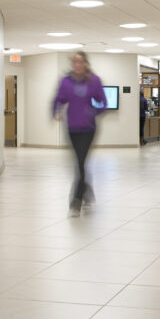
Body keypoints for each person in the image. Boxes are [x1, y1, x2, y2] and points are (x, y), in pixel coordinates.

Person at [53, 51, 106, 217]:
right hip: (72, 128)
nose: (77, 64)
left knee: (81, 162)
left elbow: (103, 102)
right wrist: (56, 111)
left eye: (80, 61)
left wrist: (93, 111)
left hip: (89, 128)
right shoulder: (66, 81)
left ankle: (75, 202)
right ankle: (87, 192)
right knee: (79, 163)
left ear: (85, 63)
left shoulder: (94, 81)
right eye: (74, 62)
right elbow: (59, 99)